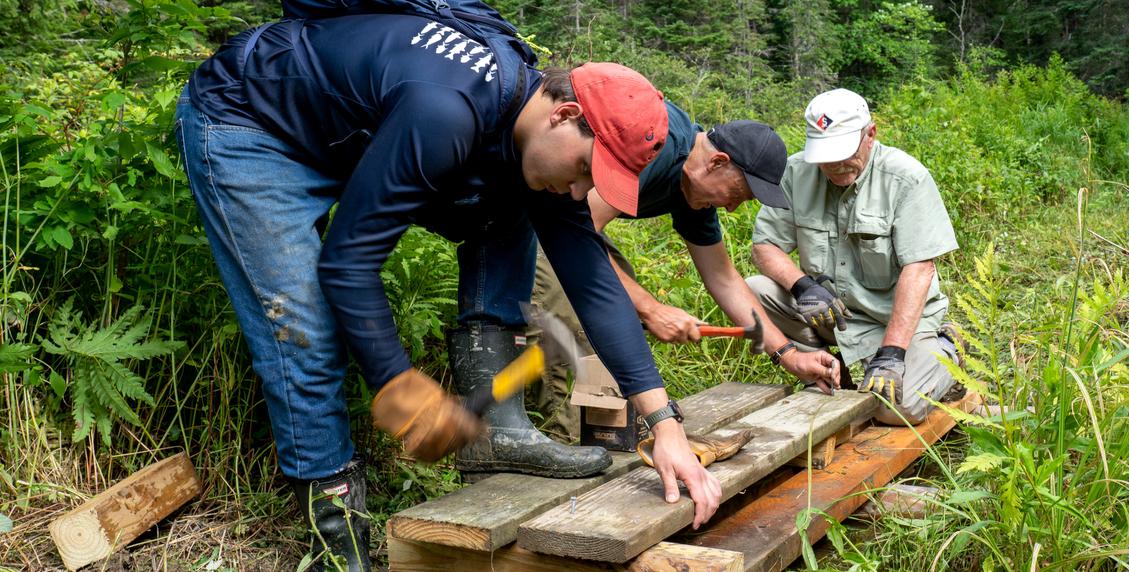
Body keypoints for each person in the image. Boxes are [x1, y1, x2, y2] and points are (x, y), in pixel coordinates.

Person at [176, 6, 721, 569]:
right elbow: (348, 264)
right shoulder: (446, 111)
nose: (581, 190)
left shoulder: (534, 135)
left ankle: (493, 441)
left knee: (516, 207)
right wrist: (406, 394)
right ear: (564, 115)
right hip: (251, 122)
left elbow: (593, 287)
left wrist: (666, 426)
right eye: (586, 169)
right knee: (306, 329)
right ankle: (338, 548)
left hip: (347, 129)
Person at [527, 103, 843, 443]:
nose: (733, 207)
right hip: (538, 217)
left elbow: (723, 278)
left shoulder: (693, 189)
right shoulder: (656, 147)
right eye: (737, 194)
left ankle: (602, 431)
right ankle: (562, 440)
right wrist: (652, 308)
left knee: (619, 303)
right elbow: (576, 229)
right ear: (717, 162)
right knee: (563, 309)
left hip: (568, 220)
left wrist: (790, 355)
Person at [748, 88, 964, 427]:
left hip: (893, 321)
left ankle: (946, 349)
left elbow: (920, 269)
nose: (834, 165)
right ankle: (827, 375)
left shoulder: (906, 178)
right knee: (750, 292)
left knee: (895, 409)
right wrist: (802, 286)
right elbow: (764, 246)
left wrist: (892, 353)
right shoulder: (796, 172)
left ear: (871, 135)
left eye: (842, 153)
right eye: (825, 156)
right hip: (833, 313)